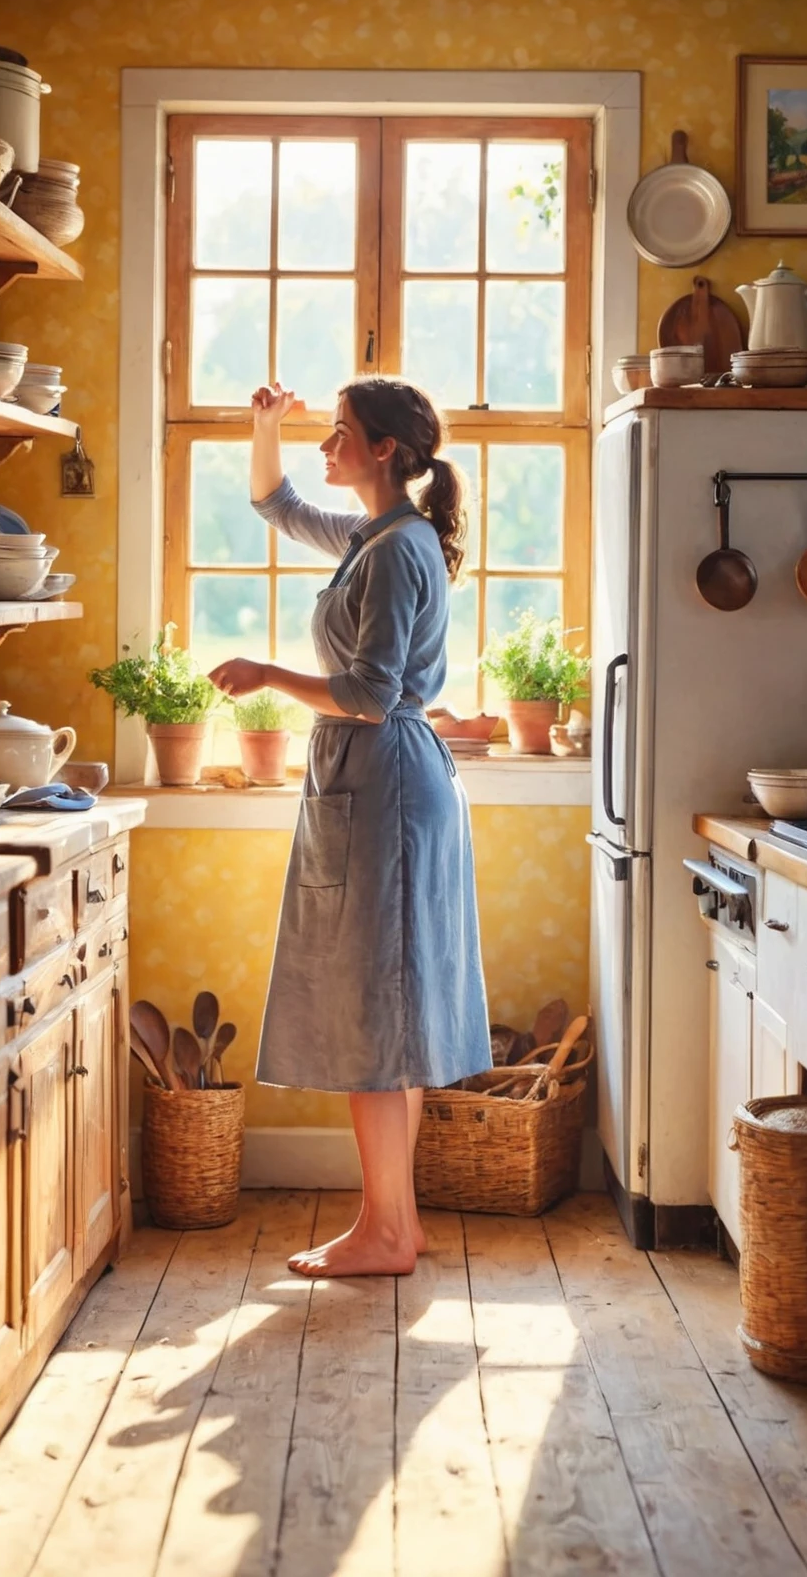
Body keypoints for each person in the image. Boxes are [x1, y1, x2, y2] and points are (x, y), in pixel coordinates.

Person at [208, 377, 491, 1278]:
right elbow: (274, 503)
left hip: (387, 787)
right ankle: (394, 1225)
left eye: (339, 433)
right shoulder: (372, 537)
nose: (323, 445)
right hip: (378, 787)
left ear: (383, 451)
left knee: (377, 1015)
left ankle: (381, 1233)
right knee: (390, 1014)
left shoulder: (396, 552)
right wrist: (265, 427)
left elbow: (369, 695)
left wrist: (266, 673)